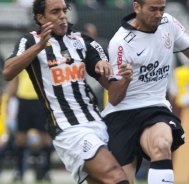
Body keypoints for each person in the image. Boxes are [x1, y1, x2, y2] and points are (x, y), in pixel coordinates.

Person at [2, 0, 132, 183]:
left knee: (106, 180)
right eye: (55, 12)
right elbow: (8, 72)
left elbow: (115, 95)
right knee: (116, 175)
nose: (62, 16)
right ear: (41, 17)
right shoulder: (29, 41)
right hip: (69, 128)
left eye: (64, 10)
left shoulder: (82, 41)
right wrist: (39, 46)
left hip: (97, 123)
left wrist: (124, 79)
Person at [101, 0, 189, 183]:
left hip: (155, 108)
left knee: (161, 145)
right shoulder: (120, 43)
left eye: (162, 9)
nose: (159, 14)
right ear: (137, 7)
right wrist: (126, 80)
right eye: (153, 9)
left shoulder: (169, 23)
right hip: (122, 114)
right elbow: (114, 98)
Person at [5, 70, 53, 182]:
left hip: (41, 100)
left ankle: (44, 172)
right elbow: (14, 81)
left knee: (45, 138)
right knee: (20, 139)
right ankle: (19, 172)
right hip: (23, 101)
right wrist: (7, 100)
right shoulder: (21, 58)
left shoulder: (45, 58)